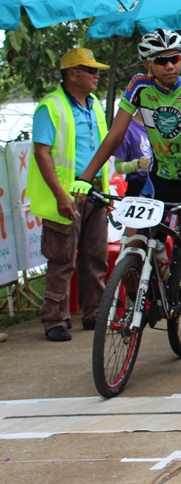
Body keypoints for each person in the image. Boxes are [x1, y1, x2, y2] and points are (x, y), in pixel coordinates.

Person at [72, 29, 181, 372]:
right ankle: (142, 294)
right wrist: (86, 177)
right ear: (148, 64)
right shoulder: (139, 86)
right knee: (132, 242)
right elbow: (115, 135)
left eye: (175, 58)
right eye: (162, 60)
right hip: (157, 184)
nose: (170, 66)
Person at [27, 48, 112, 342]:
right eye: (91, 70)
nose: (96, 75)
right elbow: (42, 154)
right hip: (67, 192)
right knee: (62, 259)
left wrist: (106, 193)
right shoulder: (50, 106)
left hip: (94, 191)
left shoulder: (95, 105)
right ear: (72, 74)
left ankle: (95, 313)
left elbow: (100, 151)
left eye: (97, 70)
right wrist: (61, 196)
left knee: (96, 257)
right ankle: (55, 319)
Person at [112, 112, 152, 197]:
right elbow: (118, 167)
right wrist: (138, 164)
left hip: (161, 186)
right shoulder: (127, 128)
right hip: (138, 187)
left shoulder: (161, 126)